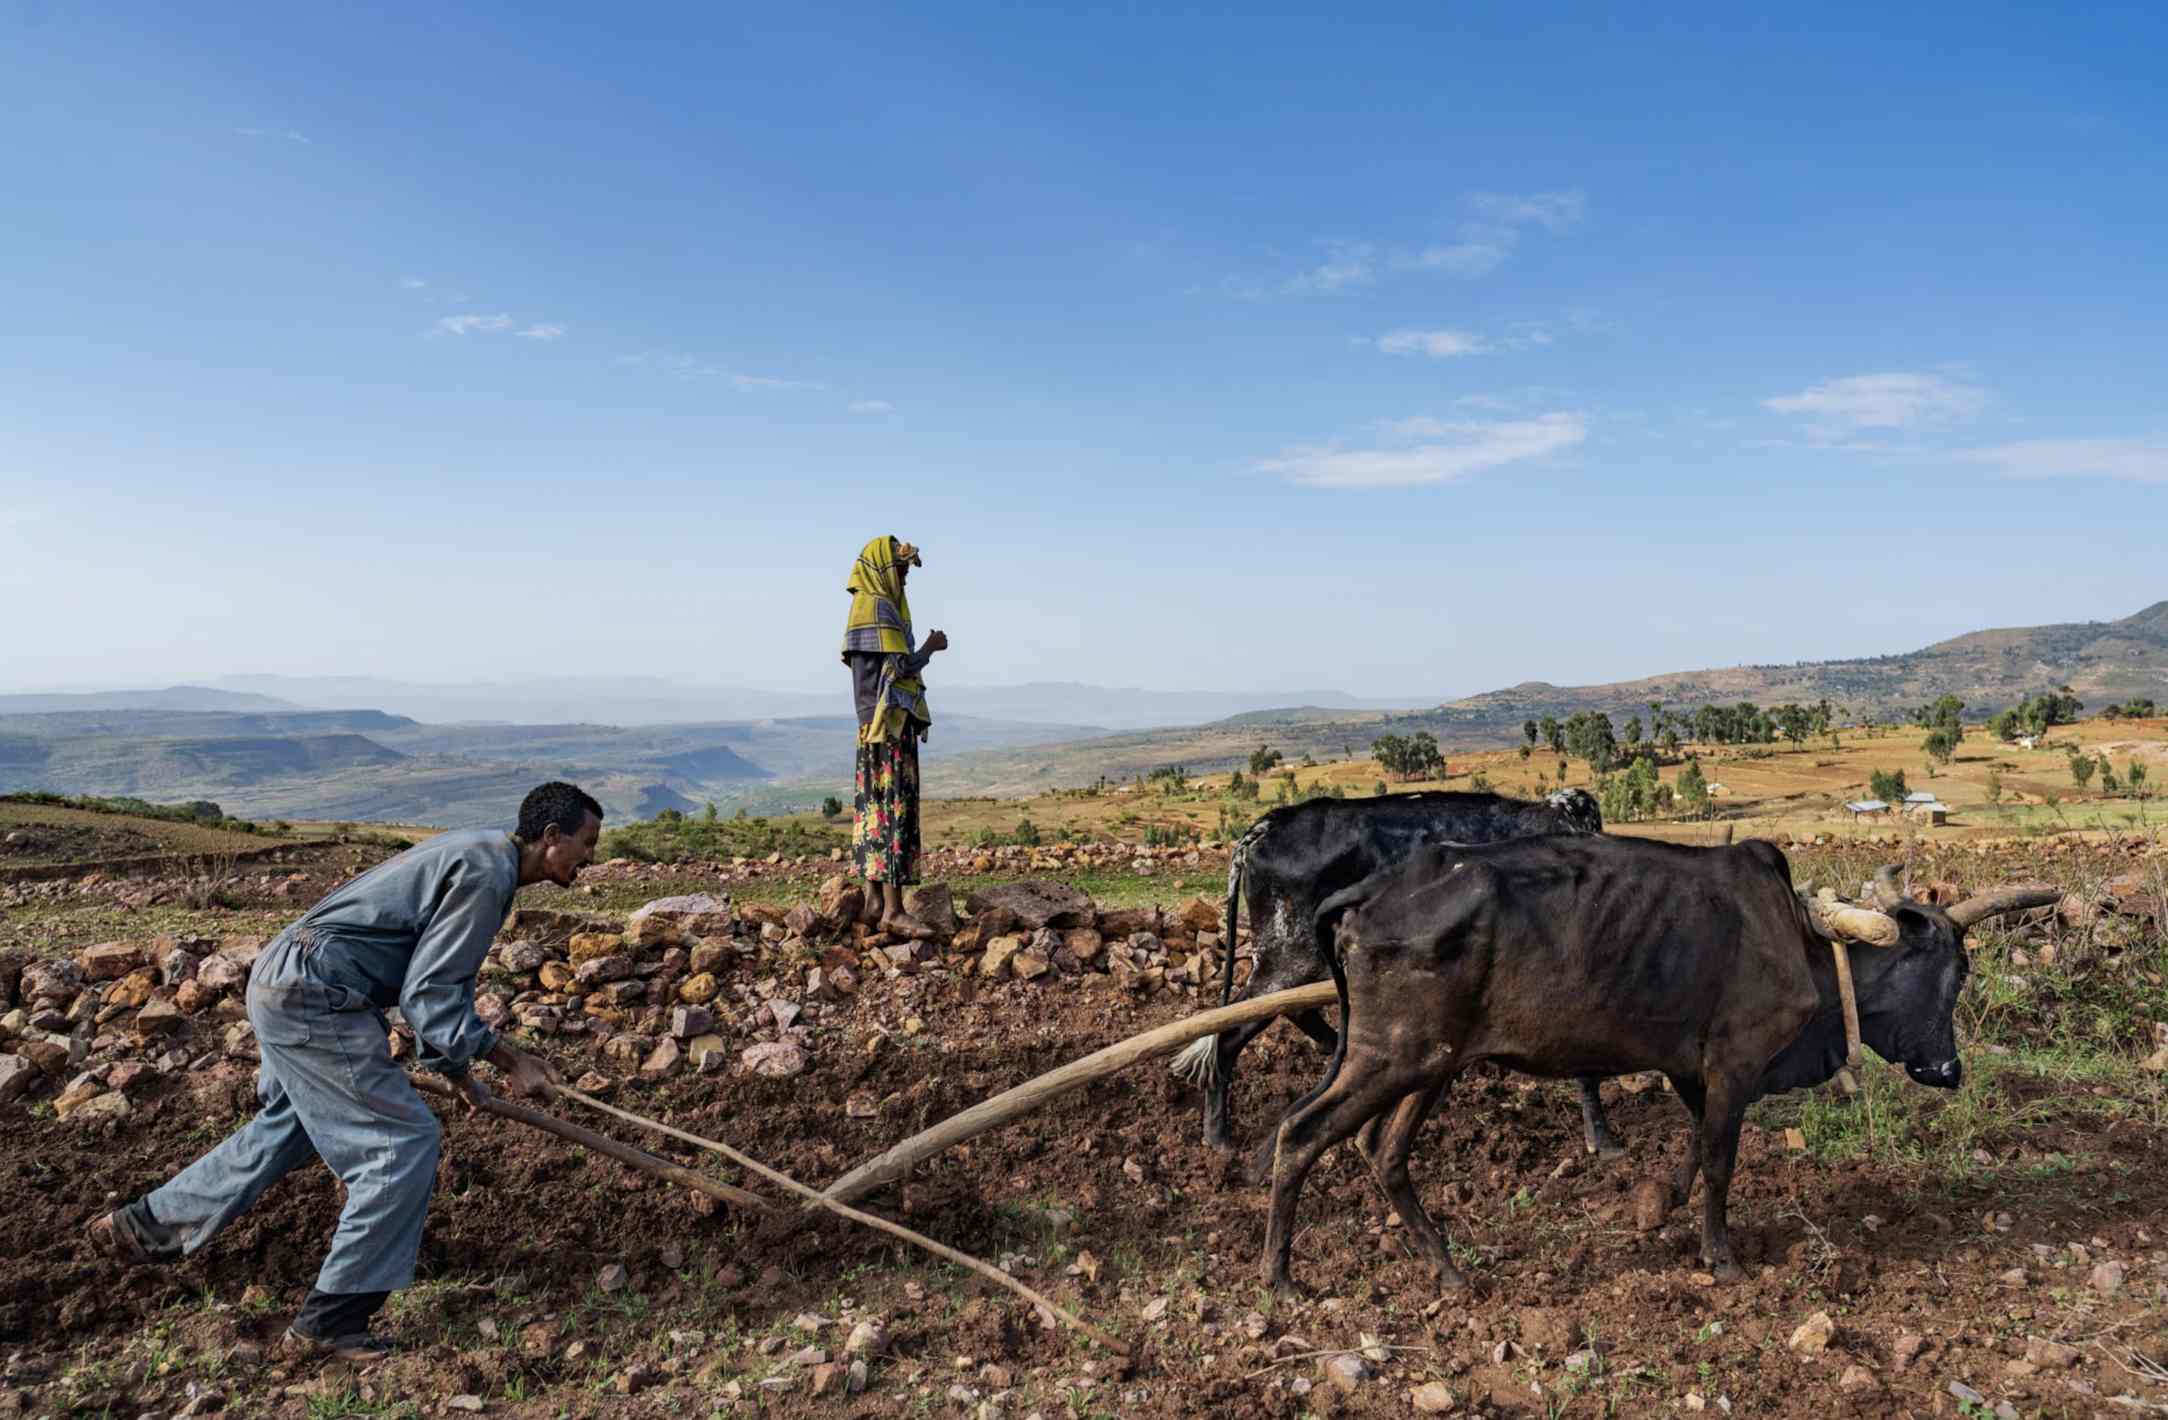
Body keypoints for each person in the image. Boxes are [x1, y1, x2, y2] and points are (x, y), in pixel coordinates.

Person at [86, 782, 602, 1361]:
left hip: (284, 978)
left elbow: (437, 991)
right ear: (552, 837)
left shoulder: (479, 852)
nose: (590, 858)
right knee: (400, 1143)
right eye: (587, 843)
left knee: (294, 1126)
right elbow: (429, 995)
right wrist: (512, 1060)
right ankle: (333, 1320)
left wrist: (463, 1080)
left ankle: (144, 1226)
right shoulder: (488, 876)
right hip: (317, 992)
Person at [841, 535, 948, 936]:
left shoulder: (860, 608)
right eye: (901, 569)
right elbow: (899, 667)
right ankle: (893, 910)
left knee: (873, 813)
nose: (904, 577)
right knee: (892, 813)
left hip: (870, 727)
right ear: (885, 568)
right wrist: (931, 648)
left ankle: (872, 902)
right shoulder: (879, 608)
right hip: (889, 727)